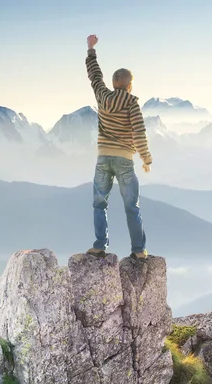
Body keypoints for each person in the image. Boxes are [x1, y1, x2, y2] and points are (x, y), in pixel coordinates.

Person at [84, 34, 152, 260]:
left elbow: (94, 75)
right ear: (129, 86)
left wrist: (91, 49)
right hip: (124, 160)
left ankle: (99, 245)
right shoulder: (132, 103)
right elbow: (139, 132)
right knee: (132, 206)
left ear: (114, 84)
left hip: (103, 159)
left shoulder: (102, 96)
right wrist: (146, 158)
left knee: (99, 204)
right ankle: (139, 250)